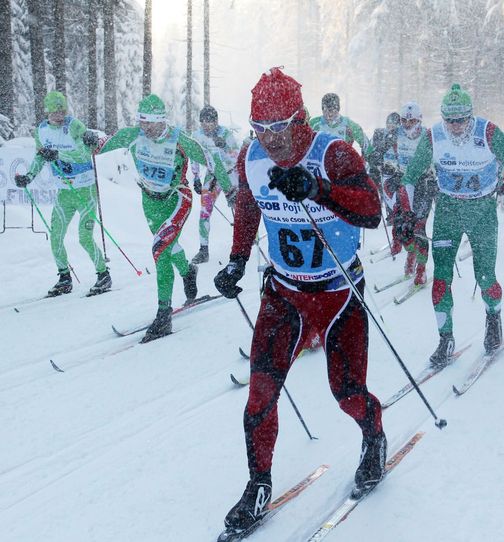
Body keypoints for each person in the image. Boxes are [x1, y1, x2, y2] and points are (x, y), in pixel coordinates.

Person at [213, 67, 386, 538]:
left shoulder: (333, 152)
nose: (271, 140)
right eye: (261, 129)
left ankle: (374, 435)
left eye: (280, 127)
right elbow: (249, 206)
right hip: (283, 295)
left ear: (301, 119)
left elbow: (372, 210)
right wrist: (236, 260)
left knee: (347, 394)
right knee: (258, 399)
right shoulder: (252, 157)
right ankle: (258, 484)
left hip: (337, 294)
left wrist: (320, 189)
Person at [400, 84, 504, 364]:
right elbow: (409, 178)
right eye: (450, 120)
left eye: (461, 120)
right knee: (441, 278)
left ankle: (493, 317)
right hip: (447, 212)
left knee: (485, 277)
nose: (456, 126)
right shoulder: (434, 137)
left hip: (482, 212)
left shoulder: (488, 132)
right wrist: (408, 214)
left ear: (470, 116)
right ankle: (445, 338)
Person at [98, 94, 232, 342]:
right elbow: (101, 145)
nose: (146, 127)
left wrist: (230, 190)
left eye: (151, 122)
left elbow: (211, 160)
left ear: (162, 121)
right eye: (142, 121)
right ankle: (187, 271)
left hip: (176, 199)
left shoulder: (179, 139)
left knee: (160, 250)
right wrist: (84, 142)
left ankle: (163, 313)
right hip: (150, 201)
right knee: (169, 249)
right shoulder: (133, 135)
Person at [14, 91, 111, 297]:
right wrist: (29, 176)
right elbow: (40, 157)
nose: (59, 115)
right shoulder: (41, 130)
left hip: (85, 190)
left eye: (62, 110)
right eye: (54, 111)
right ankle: (64, 278)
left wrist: (58, 154)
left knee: (84, 238)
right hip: (64, 192)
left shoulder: (74, 126)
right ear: (47, 112)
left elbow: (84, 153)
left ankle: (103, 274)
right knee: (55, 236)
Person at [383, 101, 437, 285]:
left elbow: (438, 161)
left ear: (419, 120)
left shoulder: (428, 136)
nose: (407, 125)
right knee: (401, 231)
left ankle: (420, 271)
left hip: (423, 186)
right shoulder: (395, 135)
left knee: (418, 230)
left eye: (411, 121)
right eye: (404, 121)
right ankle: (411, 254)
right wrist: (389, 172)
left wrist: (435, 181)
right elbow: (389, 158)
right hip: (404, 186)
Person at [190, 105, 239, 264]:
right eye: (203, 121)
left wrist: (224, 146)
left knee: (239, 210)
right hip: (212, 176)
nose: (207, 125)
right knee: (204, 212)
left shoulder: (225, 133)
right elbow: (194, 155)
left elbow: (236, 156)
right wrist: (196, 177)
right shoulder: (197, 135)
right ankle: (203, 250)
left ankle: (246, 240)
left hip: (230, 174)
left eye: (210, 121)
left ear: (216, 121)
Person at [367, 112, 403, 254]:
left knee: (399, 204)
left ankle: (400, 234)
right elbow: (372, 152)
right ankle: (393, 225)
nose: (391, 127)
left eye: (394, 124)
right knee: (388, 201)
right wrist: (373, 166)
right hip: (385, 172)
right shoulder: (380, 134)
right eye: (389, 124)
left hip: (399, 173)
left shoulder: (403, 137)